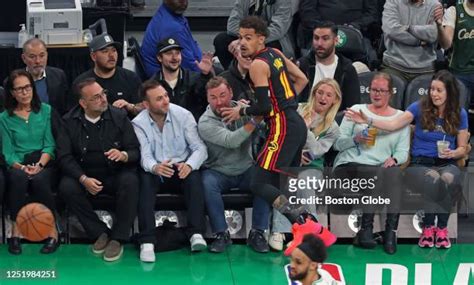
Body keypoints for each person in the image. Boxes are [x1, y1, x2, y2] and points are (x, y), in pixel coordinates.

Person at [220, 16, 329, 244]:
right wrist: (285, 101)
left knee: (259, 183)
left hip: (282, 127)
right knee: (276, 183)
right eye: (240, 37)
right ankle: (308, 226)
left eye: (248, 38)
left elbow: (264, 107)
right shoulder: (276, 54)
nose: (242, 43)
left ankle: (303, 221)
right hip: (294, 122)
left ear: (261, 39)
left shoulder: (258, 66)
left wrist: (240, 112)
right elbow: (301, 79)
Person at [345, 70, 469, 249]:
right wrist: (368, 120)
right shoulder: (419, 107)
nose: (434, 94)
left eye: (439, 90)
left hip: (446, 162)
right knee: (433, 178)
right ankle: (428, 228)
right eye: (432, 89)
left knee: (449, 178)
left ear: (449, 92)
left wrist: (454, 153)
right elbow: (393, 124)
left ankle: (441, 229)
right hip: (420, 163)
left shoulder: (460, 113)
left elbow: (462, 148)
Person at [57, 78, 140, 262]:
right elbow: (64, 157)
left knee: (131, 180)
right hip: (85, 175)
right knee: (66, 186)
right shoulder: (68, 121)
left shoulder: (119, 116)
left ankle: (118, 238)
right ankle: (100, 232)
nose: (103, 99)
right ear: (82, 103)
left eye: (103, 93)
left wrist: (123, 155)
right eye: (96, 97)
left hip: (113, 174)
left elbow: (135, 150)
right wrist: (83, 178)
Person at [132, 80, 208, 263]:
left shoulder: (183, 115)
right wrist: (155, 167)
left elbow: (200, 148)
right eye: (159, 99)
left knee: (194, 177)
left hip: (181, 165)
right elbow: (145, 155)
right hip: (157, 169)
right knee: (144, 179)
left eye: (165, 95)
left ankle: (196, 234)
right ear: (146, 104)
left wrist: (189, 165)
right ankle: (147, 241)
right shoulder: (138, 123)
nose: (166, 101)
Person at [334, 72, 410, 254]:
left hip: (379, 170)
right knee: (377, 173)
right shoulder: (356, 110)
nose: (377, 94)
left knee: (393, 173)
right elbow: (337, 144)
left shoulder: (399, 118)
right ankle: (366, 229)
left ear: (390, 93)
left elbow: (403, 152)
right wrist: (356, 138)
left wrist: (395, 159)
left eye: (382, 90)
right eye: (373, 90)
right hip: (349, 164)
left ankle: (391, 232)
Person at [198, 76, 270, 253]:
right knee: (206, 183)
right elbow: (231, 141)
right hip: (218, 171)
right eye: (213, 97)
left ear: (231, 92)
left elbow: (267, 121)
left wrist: (249, 111)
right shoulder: (205, 122)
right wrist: (254, 120)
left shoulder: (243, 108)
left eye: (223, 95)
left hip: (246, 168)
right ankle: (221, 234)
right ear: (207, 98)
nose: (219, 102)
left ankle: (258, 233)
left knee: (266, 178)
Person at [269, 78, 341, 251]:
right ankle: (282, 231)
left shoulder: (332, 127)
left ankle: (309, 233)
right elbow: (281, 135)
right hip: (288, 162)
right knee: (287, 179)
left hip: (313, 169)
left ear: (334, 100)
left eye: (328, 95)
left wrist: (303, 128)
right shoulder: (298, 109)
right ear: (314, 93)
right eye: (320, 92)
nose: (323, 97)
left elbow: (315, 151)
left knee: (303, 180)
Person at [0, 69, 58, 255]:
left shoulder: (46, 110)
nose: (25, 93)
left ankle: (52, 233)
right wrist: (24, 167)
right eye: (19, 89)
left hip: (43, 161)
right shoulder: (4, 118)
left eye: (27, 87)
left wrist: (39, 165)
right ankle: (16, 233)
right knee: (18, 178)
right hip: (19, 164)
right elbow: (8, 153)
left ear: (33, 88)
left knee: (41, 179)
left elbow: (49, 145)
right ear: (12, 93)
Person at [73, 33, 143, 117]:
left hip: (125, 127)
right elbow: (73, 116)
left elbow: (144, 110)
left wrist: (130, 107)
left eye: (114, 50)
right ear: (93, 56)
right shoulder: (81, 83)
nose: (111, 55)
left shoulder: (131, 78)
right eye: (105, 51)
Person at [213, 0, 295, 70]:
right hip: (245, 36)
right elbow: (232, 25)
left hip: (270, 40)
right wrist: (244, 39)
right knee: (221, 40)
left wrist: (250, 40)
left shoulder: (285, 2)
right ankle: (236, 76)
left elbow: (277, 29)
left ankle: (266, 76)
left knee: (271, 46)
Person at [297, 21, 360, 109]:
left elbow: (353, 106)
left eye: (325, 39)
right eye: (316, 38)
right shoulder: (303, 66)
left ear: (336, 40)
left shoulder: (347, 69)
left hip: (335, 119)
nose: (319, 43)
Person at [151, 37, 213, 121]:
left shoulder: (194, 78)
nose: (174, 57)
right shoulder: (153, 84)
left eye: (177, 53)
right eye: (169, 53)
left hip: (192, 128)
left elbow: (207, 100)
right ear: (159, 58)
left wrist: (206, 75)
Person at [297, 0, 378, 64]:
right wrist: (326, 28)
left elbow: (371, 13)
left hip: (356, 33)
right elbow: (307, 13)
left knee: (370, 59)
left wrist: (355, 26)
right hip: (321, 32)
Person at [381, 0, 440, 82]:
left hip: (425, 69)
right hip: (394, 66)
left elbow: (433, 34)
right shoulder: (393, 1)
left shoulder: (435, 5)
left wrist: (409, 28)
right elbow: (391, 30)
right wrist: (418, 41)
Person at [141, 0, 203, 77]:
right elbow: (188, 65)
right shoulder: (172, 27)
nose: (182, 1)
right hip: (166, 81)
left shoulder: (171, 15)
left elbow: (192, 45)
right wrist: (208, 73)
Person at [435, 0, 474, 108]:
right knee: (457, 114)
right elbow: (446, 44)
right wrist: (439, 26)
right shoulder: (454, 10)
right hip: (460, 73)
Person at [21, 38, 70, 115]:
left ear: (47, 55)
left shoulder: (59, 76)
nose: (38, 61)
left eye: (42, 56)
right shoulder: (15, 80)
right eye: (32, 56)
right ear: (24, 58)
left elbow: (65, 108)